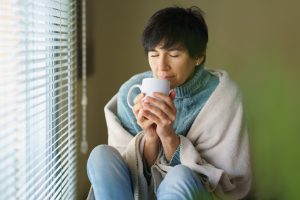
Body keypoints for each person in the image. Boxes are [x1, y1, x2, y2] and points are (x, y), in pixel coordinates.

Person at [87, 6, 251, 200]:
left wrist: (168, 137)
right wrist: (150, 137)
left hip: (193, 191)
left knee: (180, 176)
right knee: (100, 156)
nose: (161, 66)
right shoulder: (131, 94)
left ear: (199, 56)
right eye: (154, 54)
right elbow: (129, 176)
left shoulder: (222, 97)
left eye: (173, 55)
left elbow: (226, 181)